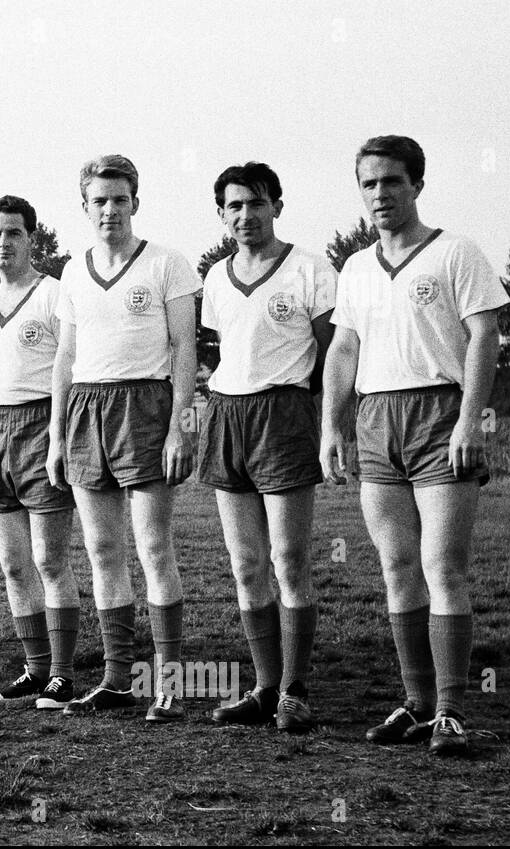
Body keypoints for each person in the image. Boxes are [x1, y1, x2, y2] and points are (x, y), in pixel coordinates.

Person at [321, 135, 507, 756]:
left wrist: (467, 422)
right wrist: (332, 425)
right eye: (369, 184)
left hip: (439, 412)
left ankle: (452, 710)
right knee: (397, 569)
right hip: (377, 418)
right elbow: (343, 349)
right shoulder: (354, 267)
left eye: (392, 182)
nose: (380, 194)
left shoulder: (456, 252)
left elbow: (485, 339)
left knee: (442, 567)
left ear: (417, 185)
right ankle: (416, 703)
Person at [48, 155, 201, 720]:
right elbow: (65, 357)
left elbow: (186, 350)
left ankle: (168, 681)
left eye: (119, 198)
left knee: (153, 546)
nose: (109, 209)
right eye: (98, 200)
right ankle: (117, 677)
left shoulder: (168, 264)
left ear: (135, 201)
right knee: (101, 549)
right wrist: (57, 436)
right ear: (84, 207)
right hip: (88, 407)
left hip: (147, 405)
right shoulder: (71, 271)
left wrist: (180, 427)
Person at [198, 163, 336, 732]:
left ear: (276, 205)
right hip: (228, 414)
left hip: (285, 415)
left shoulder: (309, 268)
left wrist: (331, 425)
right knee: (246, 564)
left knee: (290, 559)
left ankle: (295, 689)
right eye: (233, 206)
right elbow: (224, 350)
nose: (245, 216)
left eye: (255, 203)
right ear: (222, 214)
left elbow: (334, 358)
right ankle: (262, 687)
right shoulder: (214, 277)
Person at [0, 196, 79, 710]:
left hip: (41, 426)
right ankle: (33, 669)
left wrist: (58, 438)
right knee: (13, 564)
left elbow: (67, 372)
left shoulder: (54, 295)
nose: (3, 243)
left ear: (31, 237)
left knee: (48, 559)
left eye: (13, 233)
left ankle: (61, 674)